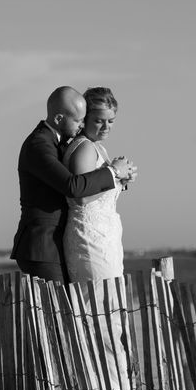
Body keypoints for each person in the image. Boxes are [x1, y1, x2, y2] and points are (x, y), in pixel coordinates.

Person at [10, 86, 136, 283]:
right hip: (42, 246)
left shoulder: (60, 141)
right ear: (59, 119)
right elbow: (74, 187)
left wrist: (118, 181)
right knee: (59, 311)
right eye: (79, 120)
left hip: (56, 244)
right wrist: (114, 172)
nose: (81, 125)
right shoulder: (39, 144)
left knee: (67, 310)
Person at [62, 87, 133, 283]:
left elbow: (100, 188)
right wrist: (115, 173)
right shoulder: (84, 147)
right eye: (99, 121)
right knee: (98, 305)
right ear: (85, 119)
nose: (106, 127)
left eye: (111, 121)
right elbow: (81, 197)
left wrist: (121, 181)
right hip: (90, 240)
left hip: (105, 238)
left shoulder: (97, 147)